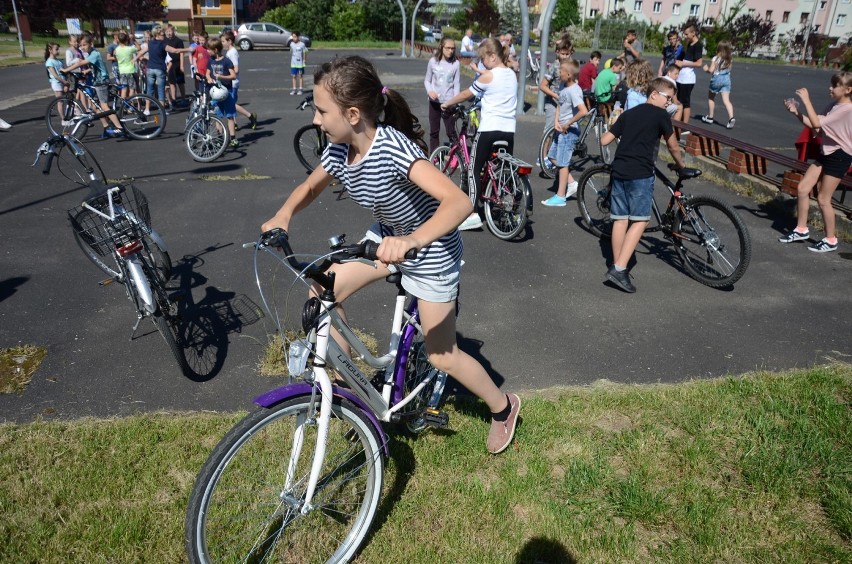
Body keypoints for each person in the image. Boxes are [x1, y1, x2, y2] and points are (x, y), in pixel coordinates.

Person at [261, 55, 521, 454]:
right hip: (385, 241)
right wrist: (283, 214)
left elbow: (459, 202)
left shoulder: (392, 148)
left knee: (442, 355)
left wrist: (413, 241)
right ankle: (350, 392)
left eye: (320, 110)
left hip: (430, 251)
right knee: (322, 287)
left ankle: (503, 408)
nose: (315, 119)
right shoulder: (338, 150)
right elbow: (311, 187)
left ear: (351, 114)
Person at [599, 77, 686, 292]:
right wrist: (680, 165)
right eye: (667, 98)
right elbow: (673, 146)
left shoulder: (629, 114)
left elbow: (604, 140)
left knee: (620, 219)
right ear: (653, 94)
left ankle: (618, 265)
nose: (669, 103)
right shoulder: (660, 115)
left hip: (619, 171)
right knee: (640, 221)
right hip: (640, 174)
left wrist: (614, 125)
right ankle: (619, 269)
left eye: (672, 100)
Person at [441, 38, 518, 231]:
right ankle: (508, 206)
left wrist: (447, 103)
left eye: (484, 58)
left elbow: (467, 94)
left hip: (489, 130)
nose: (483, 62)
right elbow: (494, 78)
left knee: (473, 169)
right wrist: (481, 72)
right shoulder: (511, 75)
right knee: (502, 170)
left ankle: (472, 213)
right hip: (508, 132)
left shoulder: (488, 78)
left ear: (492, 56)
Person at [778, 72, 852, 253]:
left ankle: (831, 239)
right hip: (827, 152)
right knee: (803, 189)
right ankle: (801, 229)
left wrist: (806, 100)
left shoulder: (847, 109)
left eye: (835, 85)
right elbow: (815, 125)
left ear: (848, 90)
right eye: (831, 84)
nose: (830, 88)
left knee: (823, 199)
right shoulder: (834, 105)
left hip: (840, 156)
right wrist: (797, 113)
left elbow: (817, 121)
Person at [62, 33, 127, 138]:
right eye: (81, 45)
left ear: (91, 44)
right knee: (95, 106)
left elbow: (81, 63)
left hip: (101, 81)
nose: (82, 47)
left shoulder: (94, 54)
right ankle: (107, 127)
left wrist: (66, 70)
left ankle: (119, 128)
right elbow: (91, 66)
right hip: (97, 81)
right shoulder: (90, 53)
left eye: (84, 45)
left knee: (104, 106)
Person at [542, 59, 587, 207]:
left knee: (562, 163)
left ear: (568, 74)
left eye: (560, 72)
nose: (558, 73)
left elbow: (583, 111)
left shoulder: (575, 91)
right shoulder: (562, 86)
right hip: (560, 129)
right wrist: (556, 121)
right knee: (552, 156)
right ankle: (572, 183)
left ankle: (560, 196)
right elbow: (560, 106)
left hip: (569, 131)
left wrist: (568, 123)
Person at [134, 26, 191, 114]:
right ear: (157, 34)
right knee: (161, 91)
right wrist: (188, 49)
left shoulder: (150, 43)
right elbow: (175, 51)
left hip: (150, 69)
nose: (164, 36)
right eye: (162, 34)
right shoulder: (163, 44)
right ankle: (162, 110)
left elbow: (141, 52)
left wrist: (134, 59)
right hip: (160, 69)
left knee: (150, 89)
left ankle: (147, 109)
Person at [538, 35, 574, 171]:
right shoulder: (555, 67)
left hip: (565, 103)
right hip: (553, 103)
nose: (564, 56)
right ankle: (543, 156)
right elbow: (543, 85)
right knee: (549, 129)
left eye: (567, 54)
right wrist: (556, 96)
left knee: (561, 130)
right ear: (557, 53)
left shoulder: (570, 65)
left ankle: (556, 156)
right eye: (562, 53)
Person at [424, 37, 460, 153]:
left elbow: (456, 84)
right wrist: (430, 91)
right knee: (434, 131)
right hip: (434, 102)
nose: (451, 51)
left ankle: (456, 155)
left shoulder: (455, 64)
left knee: (451, 131)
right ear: (441, 47)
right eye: (448, 48)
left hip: (448, 103)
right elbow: (427, 80)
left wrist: (456, 101)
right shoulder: (433, 62)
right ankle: (435, 156)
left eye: (453, 48)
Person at [206, 38, 239, 148]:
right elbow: (207, 73)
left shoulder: (226, 61)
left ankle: (233, 138)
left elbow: (233, 75)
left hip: (226, 92)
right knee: (218, 116)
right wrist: (208, 78)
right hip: (216, 93)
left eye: (209, 49)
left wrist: (221, 76)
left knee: (230, 116)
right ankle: (220, 138)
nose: (208, 51)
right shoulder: (211, 60)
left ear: (215, 49)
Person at [222, 31, 258, 130]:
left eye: (223, 41)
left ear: (229, 41)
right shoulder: (229, 52)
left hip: (232, 82)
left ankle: (250, 116)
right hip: (231, 82)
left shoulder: (232, 52)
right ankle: (234, 123)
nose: (222, 43)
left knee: (231, 104)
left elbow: (236, 69)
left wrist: (224, 75)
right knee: (231, 103)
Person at [701, 40, 735, 129]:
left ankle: (710, 117)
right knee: (726, 100)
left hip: (717, 79)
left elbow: (711, 70)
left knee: (711, 97)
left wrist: (706, 69)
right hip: (726, 79)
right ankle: (731, 117)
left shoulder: (715, 58)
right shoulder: (729, 59)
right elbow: (730, 69)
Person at [675, 23, 703, 125]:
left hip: (688, 79)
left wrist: (684, 63)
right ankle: (679, 122)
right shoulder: (689, 44)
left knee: (685, 102)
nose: (685, 36)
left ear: (693, 33)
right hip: (682, 77)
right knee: (679, 100)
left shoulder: (698, 45)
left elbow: (699, 63)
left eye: (687, 34)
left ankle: (685, 125)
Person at [164, 24, 186, 103]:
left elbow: (181, 53)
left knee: (180, 82)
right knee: (172, 83)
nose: (169, 33)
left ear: (173, 31)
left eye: (170, 31)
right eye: (167, 31)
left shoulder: (178, 41)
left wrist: (182, 65)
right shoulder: (164, 41)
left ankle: (183, 98)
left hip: (177, 63)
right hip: (169, 64)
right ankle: (174, 99)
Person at [44, 42, 69, 107]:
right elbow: (55, 76)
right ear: (50, 50)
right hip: (57, 83)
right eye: (56, 49)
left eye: (58, 49)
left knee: (69, 99)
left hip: (63, 82)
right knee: (60, 102)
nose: (58, 51)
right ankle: (63, 117)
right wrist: (64, 82)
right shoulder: (49, 62)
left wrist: (66, 83)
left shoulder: (59, 61)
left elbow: (64, 72)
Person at [114, 32, 138, 97]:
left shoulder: (116, 50)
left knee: (124, 89)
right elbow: (139, 48)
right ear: (126, 40)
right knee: (132, 88)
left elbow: (115, 56)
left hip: (122, 71)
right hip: (130, 71)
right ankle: (130, 102)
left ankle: (123, 104)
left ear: (118, 40)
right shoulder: (129, 49)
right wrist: (134, 40)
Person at [289, 31, 308, 95]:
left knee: (300, 76)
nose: (294, 38)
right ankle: (294, 89)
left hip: (300, 64)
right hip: (293, 63)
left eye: (295, 37)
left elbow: (305, 52)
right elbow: (291, 52)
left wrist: (304, 60)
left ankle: (300, 89)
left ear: (298, 37)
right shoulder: (291, 44)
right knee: (294, 76)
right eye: (293, 37)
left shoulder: (302, 44)